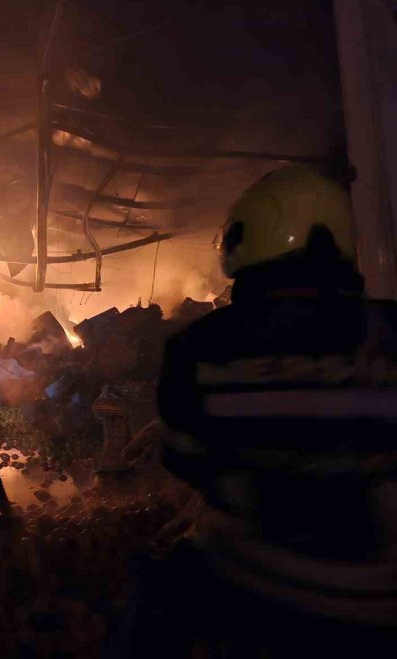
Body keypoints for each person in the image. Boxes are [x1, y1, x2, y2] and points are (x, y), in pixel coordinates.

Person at [131, 165, 397, 656]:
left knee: (150, 596)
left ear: (244, 243)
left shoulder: (203, 346)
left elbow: (185, 458)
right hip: (381, 605)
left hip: (254, 593)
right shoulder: (390, 332)